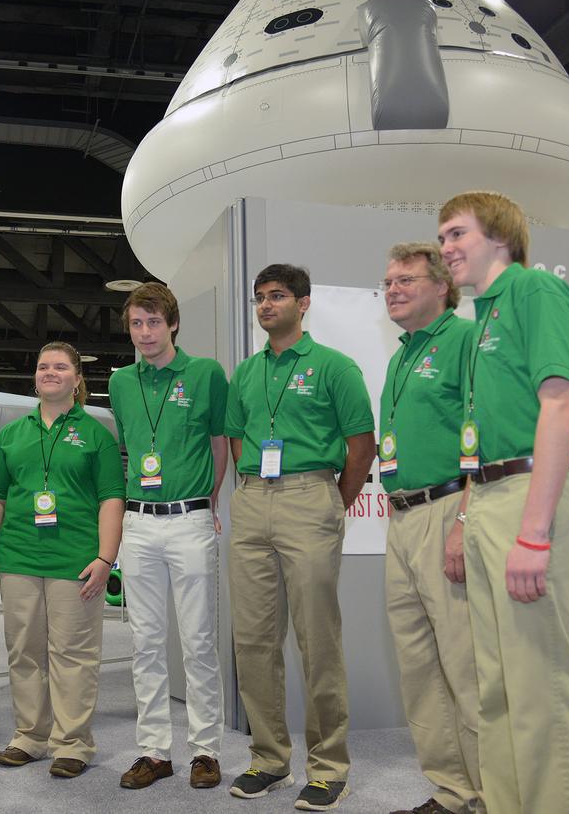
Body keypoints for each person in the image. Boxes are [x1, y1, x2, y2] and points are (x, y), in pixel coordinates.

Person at [437, 191, 569, 814]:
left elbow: (561, 406)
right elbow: (484, 436)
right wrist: (466, 518)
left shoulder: (535, 293)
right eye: (443, 237)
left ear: (499, 236)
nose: (446, 248)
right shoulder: (482, 318)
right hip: (490, 497)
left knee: (540, 684)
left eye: (457, 234)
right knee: (499, 684)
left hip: (530, 498)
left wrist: (533, 533)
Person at [224, 264, 375, 811]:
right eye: (260, 298)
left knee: (317, 638)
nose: (266, 305)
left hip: (311, 496)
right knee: (255, 639)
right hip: (252, 498)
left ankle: (329, 765)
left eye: (278, 296)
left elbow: (362, 444)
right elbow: (238, 438)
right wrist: (254, 487)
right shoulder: (246, 372)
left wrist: (333, 500)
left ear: (304, 303)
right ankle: (269, 758)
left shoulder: (334, 367)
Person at [0, 341, 125, 779]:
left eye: (61, 367)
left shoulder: (96, 434)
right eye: (43, 367)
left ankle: (73, 743)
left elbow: (111, 498)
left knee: (72, 654)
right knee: (24, 651)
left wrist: (106, 557)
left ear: (78, 379)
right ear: (34, 377)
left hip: (74, 562)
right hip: (19, 558)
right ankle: (30, 736)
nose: (50, 373)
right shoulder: (12, 434)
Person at [107, 282, 227, 791]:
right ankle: (154, 752)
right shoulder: (119, 383)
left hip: (189, 521)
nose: (145, 333)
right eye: (136, 323)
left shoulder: (205, 374)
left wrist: (209, 502)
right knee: (146, 642)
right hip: (138, 523)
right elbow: (131, 450)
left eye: (154, 322)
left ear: (173, 324)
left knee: (198, 640)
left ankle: (206, 750)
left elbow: (220, 443)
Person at [377, 244, 480, 814]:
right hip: (401, 517)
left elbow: (480, 431)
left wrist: (466, 519)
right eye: (387, 281)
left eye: (404, 279)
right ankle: (452, 790)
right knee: (418, 666)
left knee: (465, 665)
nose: (390, 288)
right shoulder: (400, 356)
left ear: (442, 285)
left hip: (449, 510)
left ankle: (493, 792)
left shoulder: (465, 340)